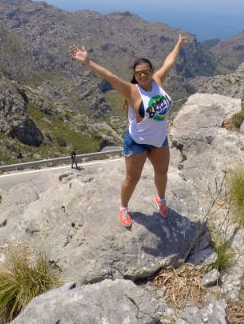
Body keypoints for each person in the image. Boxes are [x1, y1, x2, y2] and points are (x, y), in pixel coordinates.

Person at [69, 34, 189, 227]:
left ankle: (161, 199)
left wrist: (178, 45)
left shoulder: (158, 81)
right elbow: (109, 76)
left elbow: (169, 62)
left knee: (162, 173)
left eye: (146, 71)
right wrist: (88, 62)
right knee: (132, 178)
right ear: (134, 76)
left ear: (151, 71)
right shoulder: (132, 91)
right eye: (138, 73)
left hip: (159, 141)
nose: (143, 75)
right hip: (137, 142)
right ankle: (123, 207)